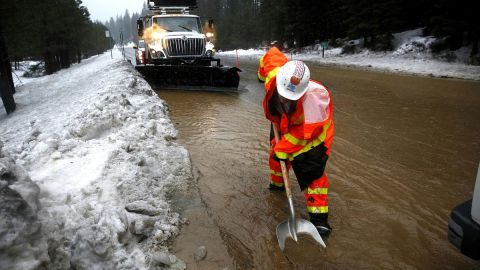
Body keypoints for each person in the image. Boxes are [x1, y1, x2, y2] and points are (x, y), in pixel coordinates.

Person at [263, 60, 335, 237]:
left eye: (290, 98)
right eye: (283, 95)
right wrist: (279, 149)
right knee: (275, 158)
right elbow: (271, 59)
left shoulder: (316, 99)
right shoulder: (275, 77)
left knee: (312, 174)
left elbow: (304, 134)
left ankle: (319, 220)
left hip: (313, 138)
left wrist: (283, 149)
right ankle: (277, 187)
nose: (285, 99)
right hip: (284, 125)